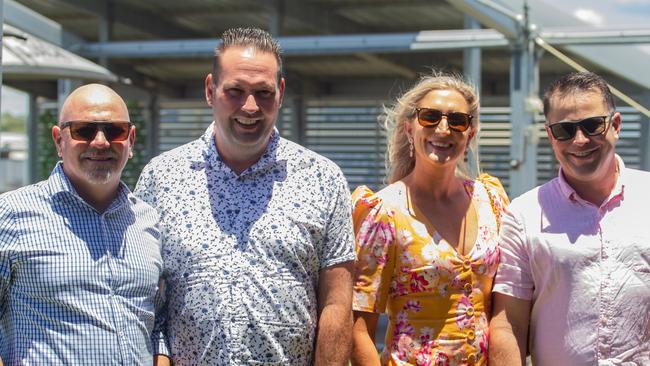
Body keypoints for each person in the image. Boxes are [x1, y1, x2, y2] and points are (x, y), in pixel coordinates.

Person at [134, 27, 355, 365]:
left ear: (280, 92)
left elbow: (337, 304)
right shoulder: (160, 178)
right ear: (210, 90)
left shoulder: (323, 179)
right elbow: (147, 299)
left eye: (263, 93)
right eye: (235, 91)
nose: (250, 107)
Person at [490, 71, 650, 365]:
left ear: (615, 125)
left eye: (592, 126)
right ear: (551, 135)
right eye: (565, 130)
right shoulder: (525, 214)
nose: (580, 140)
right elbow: (508, 324)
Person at [350, 73, 509, 365]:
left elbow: (508, 307)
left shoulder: (491, 201)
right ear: (410, 129)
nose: (444, 129)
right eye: (430, 117)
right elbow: (359, 327)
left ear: (470, 134)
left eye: (457, 120)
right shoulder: (385, 211)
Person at [0, 84, 163, 365]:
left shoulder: (148, 221)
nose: (100, 142)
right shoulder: (11, 213)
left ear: (131, 139)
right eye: (84, 131)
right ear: (58, 140)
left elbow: (158, 320)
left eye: (115, 131)